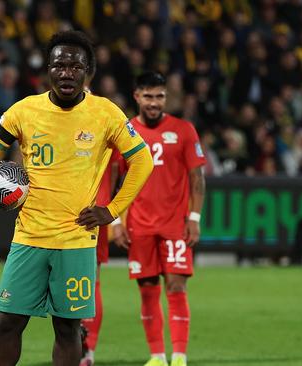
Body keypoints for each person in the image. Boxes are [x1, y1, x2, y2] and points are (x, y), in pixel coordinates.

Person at [0, 30, 153, 366]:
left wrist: (112, 210)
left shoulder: (106, 113)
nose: (67, 72)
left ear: (87, 72)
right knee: (8, 322)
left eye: (75, 66)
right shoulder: (25, 111)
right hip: (29, 237)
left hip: (77, 241)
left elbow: (143, 160)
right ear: (47, 70)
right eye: (59, 65)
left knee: (67, 329)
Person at [113, 71, 207, 366]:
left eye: (160, 96)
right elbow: (114, 181)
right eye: (149, 96)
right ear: (137, 96)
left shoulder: (184, 130)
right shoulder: (124, 131)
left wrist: (194, 217)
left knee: (177, 286)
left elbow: (197, 178)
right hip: (139, 225)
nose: (155, 103)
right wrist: (116, 222)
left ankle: (179, 355)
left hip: (174, 225)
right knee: (147, 288)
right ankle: (157, 356)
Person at [79, 151, 122, 366]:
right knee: (89, 280)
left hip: (87, 212)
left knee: (88, 280)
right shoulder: (108, 121)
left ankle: (86, 349)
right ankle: (83, 349)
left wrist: (113, 214)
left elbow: (115, 170)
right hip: (94, 209)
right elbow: (115, 171)